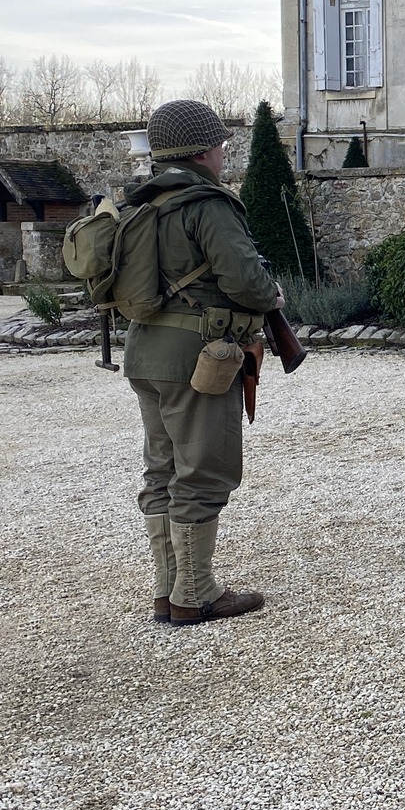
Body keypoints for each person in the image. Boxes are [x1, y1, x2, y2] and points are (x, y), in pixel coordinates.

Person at [124, 99, 283, 626]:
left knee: (163, 471)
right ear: (203, 150)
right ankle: (197, 595)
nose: (223, 154)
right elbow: (244, 279)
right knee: (202, 474)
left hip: (145, 355)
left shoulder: (139, 204)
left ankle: (168, 592)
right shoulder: (207, 203)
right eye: (219, 145)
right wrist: (272, 294)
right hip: (199, 361)